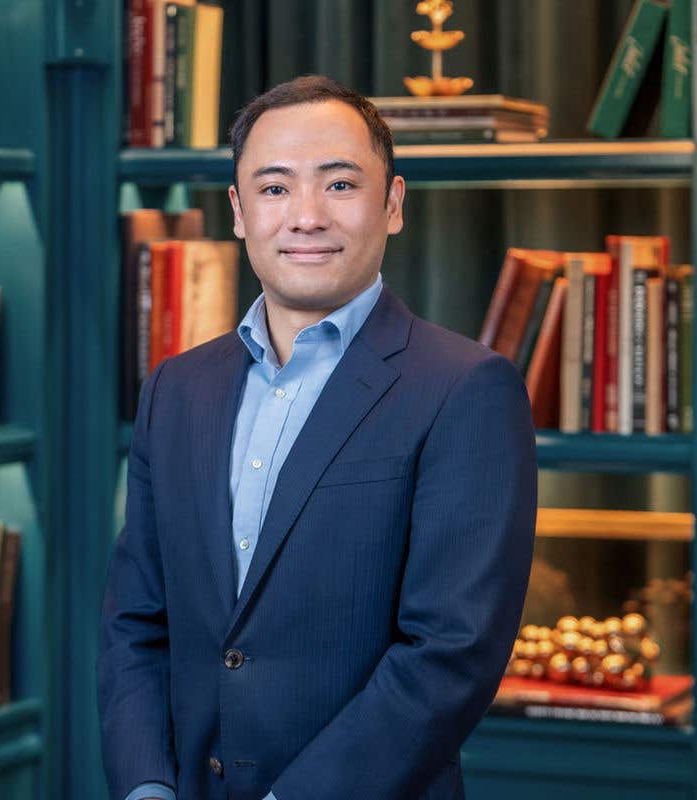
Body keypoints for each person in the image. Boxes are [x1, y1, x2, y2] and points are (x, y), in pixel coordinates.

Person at [98, 75, 537, 800]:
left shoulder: (466, 389)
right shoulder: (176, 390)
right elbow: (134, 624)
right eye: (274, 189)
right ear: (238, 212)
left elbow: (450, 654)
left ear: (393, 204)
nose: (305, 216)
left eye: (339, 184)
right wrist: (148, 786)